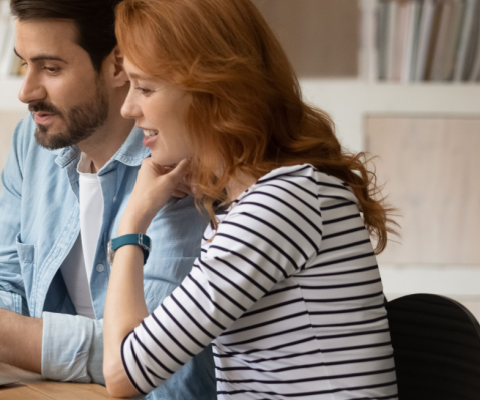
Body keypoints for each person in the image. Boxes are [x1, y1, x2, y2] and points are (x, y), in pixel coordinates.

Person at [0, 0, 215, 398]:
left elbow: (147, 352)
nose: (26, 92)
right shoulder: (32, 144)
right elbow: (2, 280)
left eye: (50, 68)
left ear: (118, 66)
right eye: (23, 64)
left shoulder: (176, 160)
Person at [101, 0, 399, 398]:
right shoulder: (277, 196)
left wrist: (132, 224)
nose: (128, 107)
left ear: (212, 89)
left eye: (146, 88)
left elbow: (123, 375)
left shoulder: (280, 205)